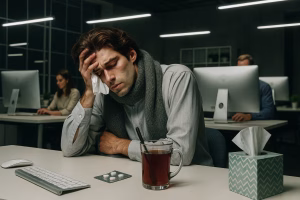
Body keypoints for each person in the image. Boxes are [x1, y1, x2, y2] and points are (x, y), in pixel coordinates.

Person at [61, 27, 213, 166]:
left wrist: (120, 145)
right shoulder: (103, 94)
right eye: (99, 73)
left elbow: (180, 153)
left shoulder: (177, 78)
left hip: (189, 180)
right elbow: (69, 149)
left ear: (131, 55)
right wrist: (88, 92)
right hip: (135, 177)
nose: (108, 78)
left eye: (112, 64)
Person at [232, 54, 276, 122]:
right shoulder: (232, 86)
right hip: (234, 122)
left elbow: (269, 112)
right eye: (239, 68)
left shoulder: (263, 87)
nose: (241, 71)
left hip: (256, 125)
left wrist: (249, 116)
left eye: (244, 68)